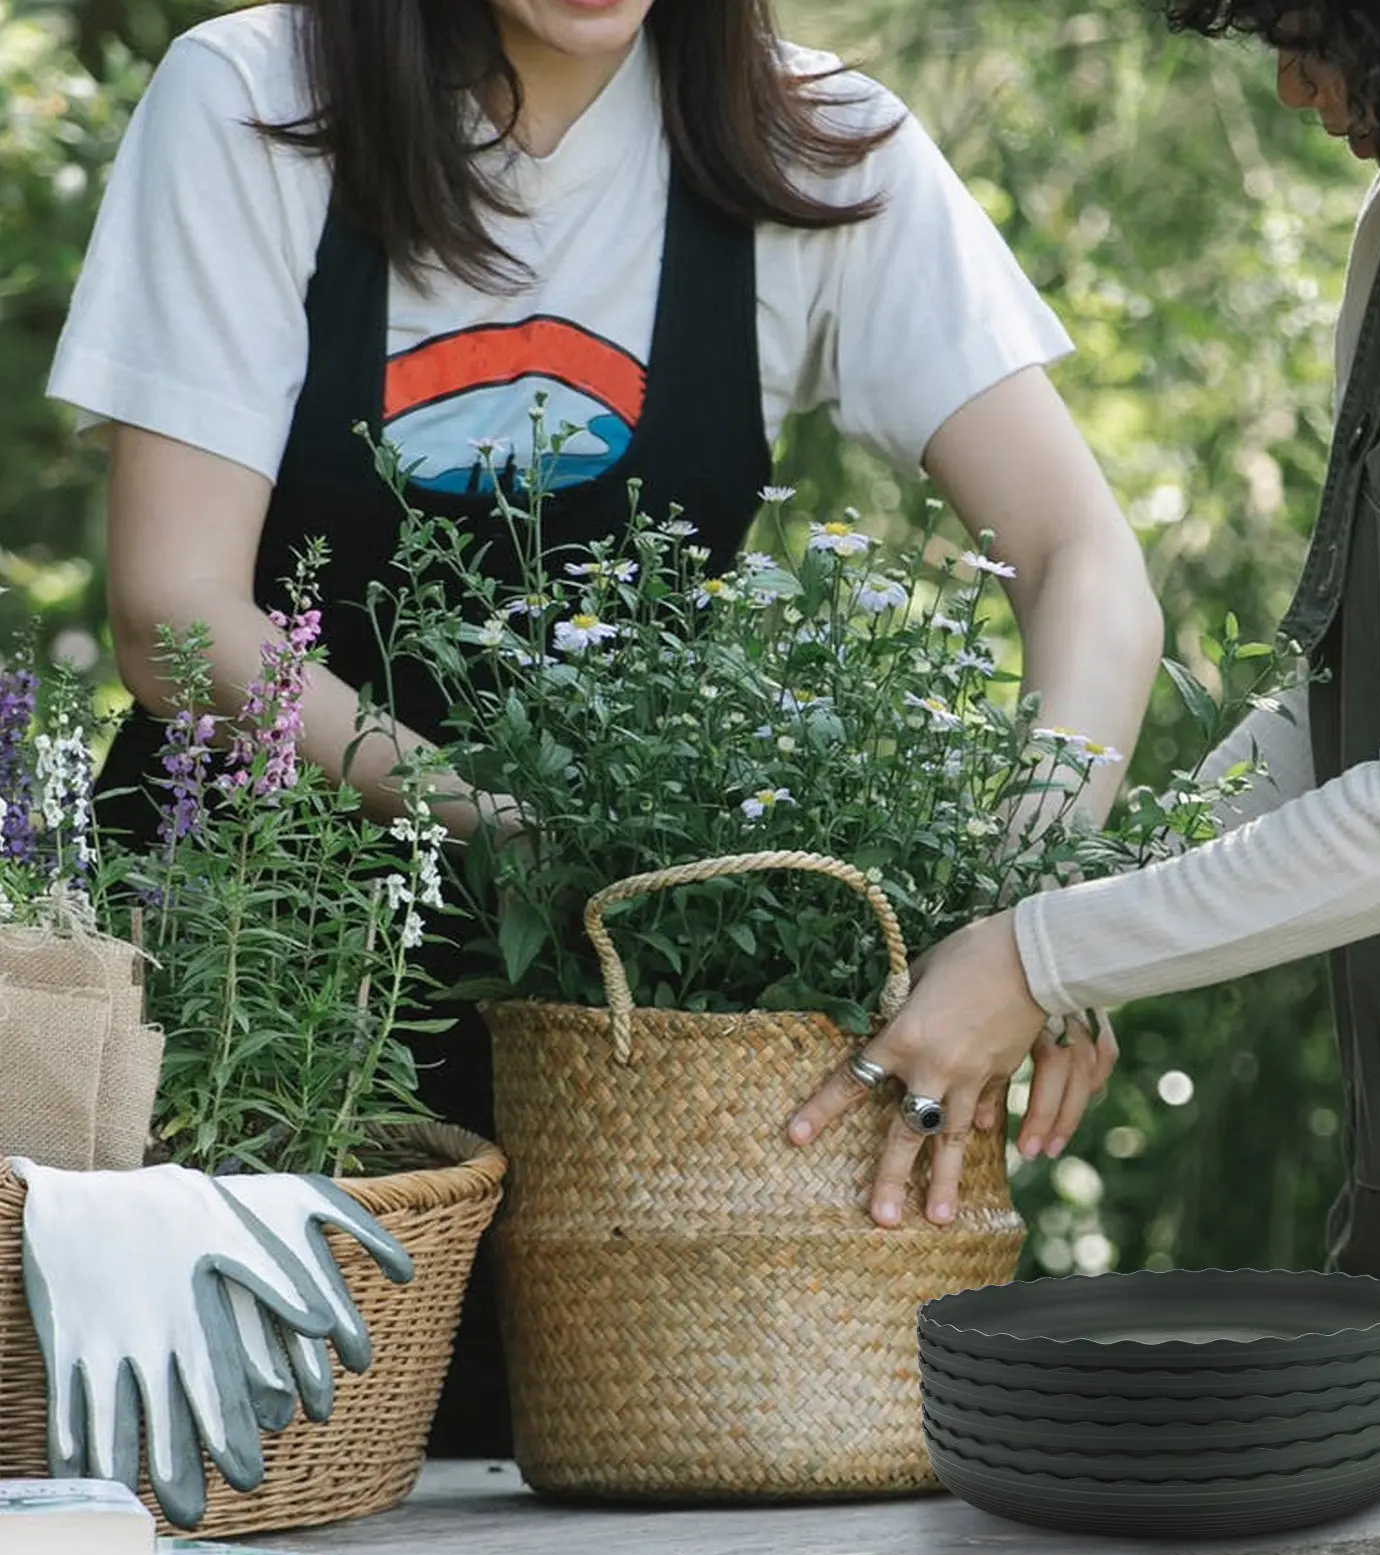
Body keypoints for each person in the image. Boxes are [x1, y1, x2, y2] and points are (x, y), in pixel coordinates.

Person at [46, 0, 1162, 1457]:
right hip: (266, 1005)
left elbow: (1087, 561)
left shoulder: (807, 142)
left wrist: (1023, 910)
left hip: (623, 1055)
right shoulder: (256, 98)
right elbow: (177, 617)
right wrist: (520, 839)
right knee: (248, 1497)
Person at [796, 3, 1380, 1555]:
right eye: (1276, 36)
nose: (1300, 87)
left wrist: (1047, 960)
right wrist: (1089, 927)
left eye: (1335, 38)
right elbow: (1336, 705)